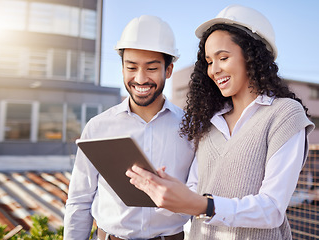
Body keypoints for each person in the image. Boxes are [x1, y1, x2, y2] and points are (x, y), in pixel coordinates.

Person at [126, 5, 315, 240]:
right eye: (208, 61)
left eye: (223, 58)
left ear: (252, 55)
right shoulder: (209, 123)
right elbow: (196, 193)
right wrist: (171, 190)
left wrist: (206, 206)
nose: (214, 70)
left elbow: (272, 209)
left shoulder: (284, 115)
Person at [63, 15, 195, 240]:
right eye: (131, 67)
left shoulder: (191, 128)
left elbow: (199, 197)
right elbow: (79, 199)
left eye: (152, 68)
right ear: (122, 68)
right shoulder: (98, 127)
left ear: (169, 70)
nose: (140, 79)